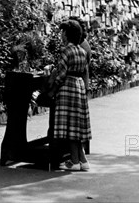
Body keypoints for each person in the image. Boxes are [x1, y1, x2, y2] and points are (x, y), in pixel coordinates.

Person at [47, 20, 91, 171]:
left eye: (62, 32)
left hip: (67, 88)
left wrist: (52, 90)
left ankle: (74, 161)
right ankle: (82, 160)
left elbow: (61, 75)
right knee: (76, 125)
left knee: (69, 126)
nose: (61, 35)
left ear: (67, 34)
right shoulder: (82, 51)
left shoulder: (66, 51)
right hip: (79, 86)